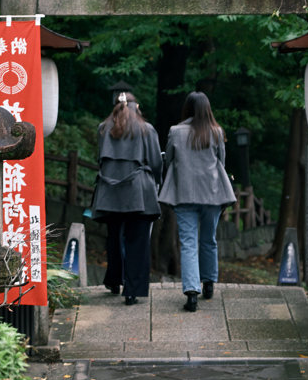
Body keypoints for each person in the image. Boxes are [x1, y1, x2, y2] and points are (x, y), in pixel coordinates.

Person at [159, 91, 235, 312]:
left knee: (188, 243)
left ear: (187, 108)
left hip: (184, 194)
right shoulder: (217, 132)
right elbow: (221, 162)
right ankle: (209, 282)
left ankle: (191, 293)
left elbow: (169, 160)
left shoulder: (175, 131)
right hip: (212, 194)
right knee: (209, 239)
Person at [90, 92, 162, 305]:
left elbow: (100, 158)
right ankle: (132, 291)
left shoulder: (103, 129)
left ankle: (114, 280)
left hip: (109, 191)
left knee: (113, 236)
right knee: (137, 240)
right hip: (138, 190)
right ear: (136, 107)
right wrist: (156, 182)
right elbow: (156, 162)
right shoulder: (146, 129)